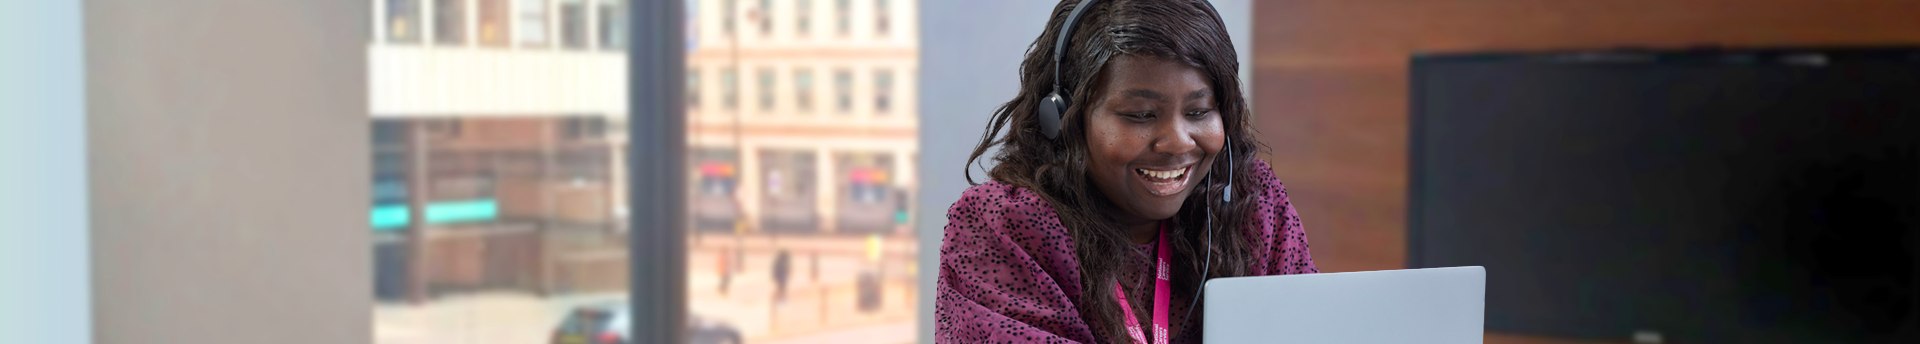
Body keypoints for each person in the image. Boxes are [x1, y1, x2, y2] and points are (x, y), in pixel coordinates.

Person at [934, 1, 1317, 343]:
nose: (1178, 142)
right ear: (1064, 117)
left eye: (1199, 112)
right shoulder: (1000, 225)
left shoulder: (1252, 203)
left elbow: (1315, 329)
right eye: (1140, 115)